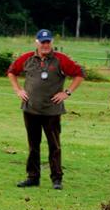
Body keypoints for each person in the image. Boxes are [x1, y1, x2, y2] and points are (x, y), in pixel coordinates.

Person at [7, 29, 84, 190]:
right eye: (43, 42)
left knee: (54, 146)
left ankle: (57, 179)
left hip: (52, 112)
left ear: (52, 43)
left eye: (48, 42)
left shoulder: (60, 60)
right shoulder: (27, 58)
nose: (46, 45)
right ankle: (33, 177)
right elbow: (11, 72)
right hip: (30, 109)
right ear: (37, 43)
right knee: (33, 145)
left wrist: (67, 92)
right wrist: (18, 90)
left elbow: (79, 74)